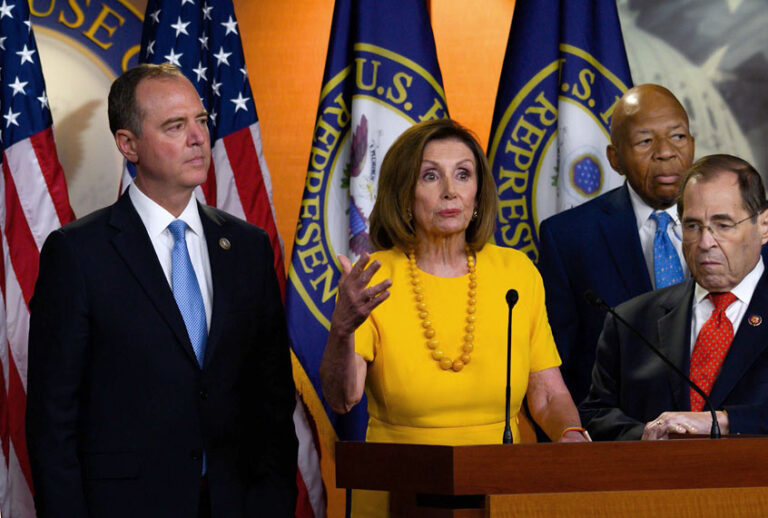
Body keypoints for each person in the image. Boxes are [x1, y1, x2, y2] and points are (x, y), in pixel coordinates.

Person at [25, 64, 298, 517]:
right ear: (127, 144)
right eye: (175, 126)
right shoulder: (77, 254)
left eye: (201, 121)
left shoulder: (248, 247)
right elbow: (53, 421)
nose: (197, 138)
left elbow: (271, 401)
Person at [320, 118, 587, 517]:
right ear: (404, 193)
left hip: (505, 488)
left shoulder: (515, 273)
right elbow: (344, 399)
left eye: (463, 175)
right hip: (398, 491)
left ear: (477, 195)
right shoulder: (374, 278)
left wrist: (571, 435)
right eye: (431, 176)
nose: (450, 191)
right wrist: (343, 327)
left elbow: (547, 393)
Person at [580, 154, 768, 440]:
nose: (705, 243)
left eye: (723, 225)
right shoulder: (630, 321)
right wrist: (643, 434)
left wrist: (724, 422)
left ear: (763, 225)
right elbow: (596, 415)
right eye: (692, 226)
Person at [537, 84, 695, 405]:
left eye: (678, 136)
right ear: (615, 158)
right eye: (645, 141)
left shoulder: (742, 229)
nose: (665, 151)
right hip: (618, 437)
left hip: (727, 435)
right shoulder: (569, 238)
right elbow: (559, 367)